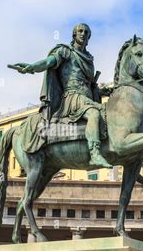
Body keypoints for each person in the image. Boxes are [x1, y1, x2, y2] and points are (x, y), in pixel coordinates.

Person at [13, 23, 112, 168]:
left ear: (89, 37)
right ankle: (95, 154)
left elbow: (90, 84)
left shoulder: (89, 58)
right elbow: (48, 62)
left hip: (87, 98)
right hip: (73, 98)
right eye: (80, 31)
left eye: (86, 32)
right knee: (94, 114)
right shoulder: (65, 51)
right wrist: (32, 67)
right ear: (74, 34)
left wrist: (102, 91)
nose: (83, 34)